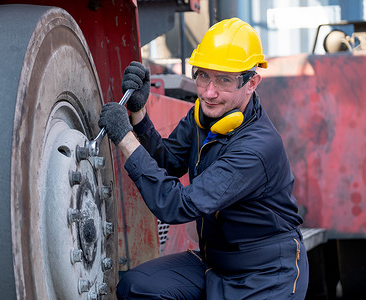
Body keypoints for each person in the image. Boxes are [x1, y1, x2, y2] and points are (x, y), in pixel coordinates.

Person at [98, 18, 309, 299]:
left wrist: (125, 139)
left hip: (265, 275)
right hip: (216, 263)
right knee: (136, 286)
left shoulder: (256, 149)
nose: (209, 92)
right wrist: (137, 114)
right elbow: (169, 161)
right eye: (203, 76)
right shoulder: (205, 115)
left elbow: (177, 206)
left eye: (224, 79)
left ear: (252, 82)